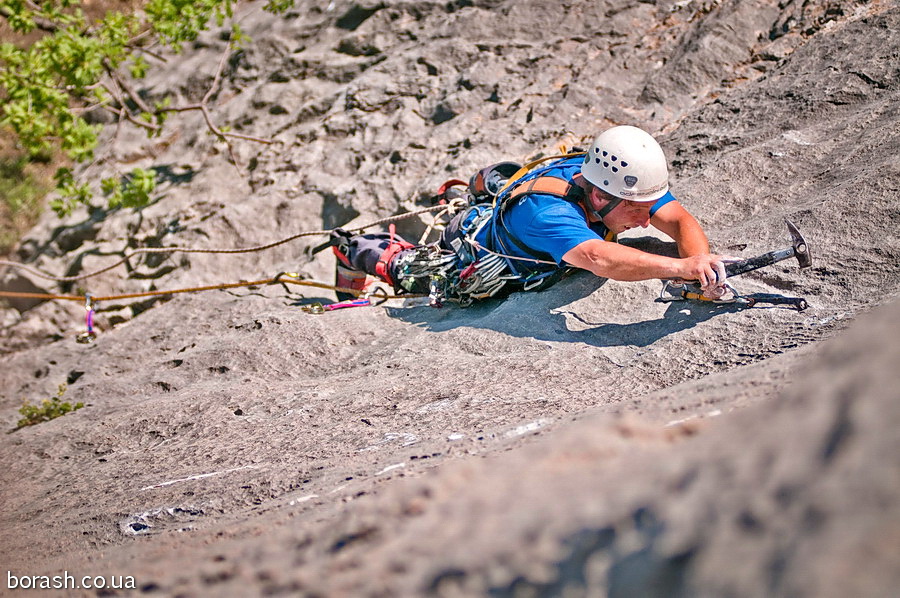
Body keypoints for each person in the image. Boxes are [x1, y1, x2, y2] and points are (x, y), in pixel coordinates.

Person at [331, 125, 729, 307]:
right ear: (597, 192)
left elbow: (680, 221)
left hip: (515, 213)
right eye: (635, 211)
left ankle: (483, 184)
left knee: (503, 183)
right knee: (406, 267)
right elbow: (598, 258)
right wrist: (680, 269)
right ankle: (354, 252)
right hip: (477, 252)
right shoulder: (546, 213)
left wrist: (699, 269)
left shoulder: (618, 184)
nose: (646, 221)